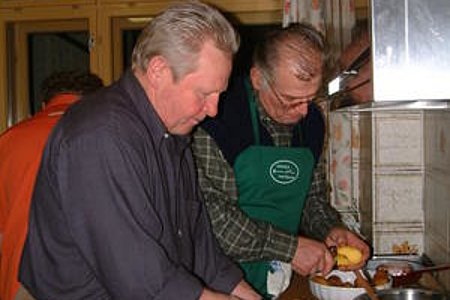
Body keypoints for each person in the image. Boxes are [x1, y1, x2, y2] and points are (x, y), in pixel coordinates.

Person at [18, 2, 261, 300]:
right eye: (204, 93)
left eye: (219, 95)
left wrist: (247, 294)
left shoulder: (174, 132)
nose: (213, 110)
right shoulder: (100, 135)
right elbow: (139, 279)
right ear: (158, 70)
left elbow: (198, 243)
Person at [191, 23, 371, 298]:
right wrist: (290, 248)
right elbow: (214, 220)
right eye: (290, 100)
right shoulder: (218, 117)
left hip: (277, 277)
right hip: (216, 282)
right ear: (257, 78)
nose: (302, 112)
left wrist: (330, 230)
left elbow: (312, 199)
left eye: (310, 99)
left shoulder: (311, 122)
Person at [0, 70, 104, 300]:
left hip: (20, 279)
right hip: (87, 279)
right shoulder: (102, 137)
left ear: (44, 103)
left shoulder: (8, 140)